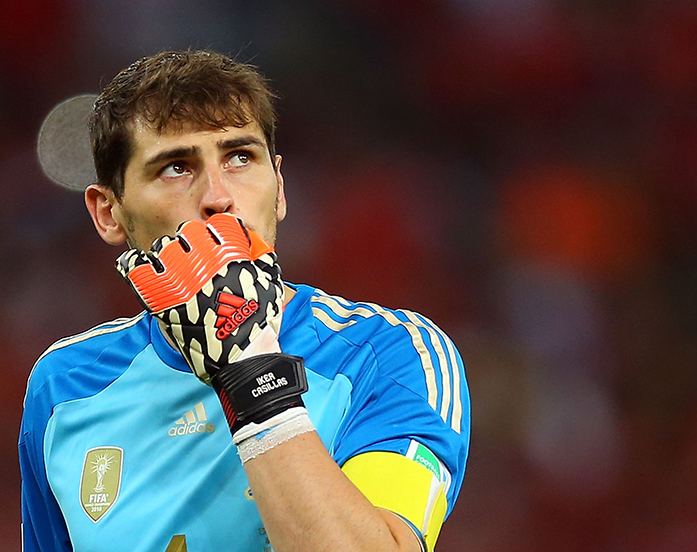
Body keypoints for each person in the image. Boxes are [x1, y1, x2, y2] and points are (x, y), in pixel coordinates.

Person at [19, 50, 470, 552]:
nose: (218, 196)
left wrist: (252, 371)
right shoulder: (64, 387)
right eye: (174, 167)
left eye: (240, 157)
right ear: (109, 212)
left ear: (278, 187)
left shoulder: (390, 356)